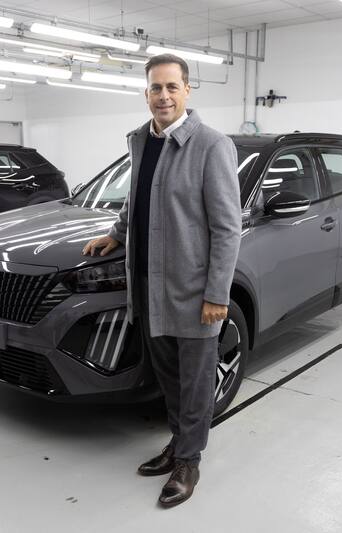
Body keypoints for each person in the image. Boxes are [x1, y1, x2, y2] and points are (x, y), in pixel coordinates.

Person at [81, 54, 241, 508]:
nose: (163, 96)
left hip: (193, 290)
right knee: (168, 376)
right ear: (146, 93)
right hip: (149, 284)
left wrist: (217, 293)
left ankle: (188, 461)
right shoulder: (141, 141)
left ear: (187, 91)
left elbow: (227, 228)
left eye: (172, 87)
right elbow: (138, 200)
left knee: (193, 381)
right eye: (156, 88)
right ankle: (178, 443)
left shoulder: (211, 145)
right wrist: (114, 235)